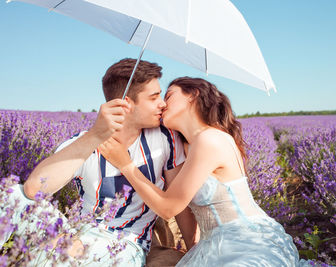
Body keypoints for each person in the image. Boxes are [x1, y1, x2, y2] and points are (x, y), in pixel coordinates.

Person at [1, 59, 197, 266]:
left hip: (124, 244)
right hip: (77, 231)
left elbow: (179, 203)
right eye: (154, 97)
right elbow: (34, 189)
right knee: (13, 195)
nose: (162, 103)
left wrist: (195, 251)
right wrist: (95, 135)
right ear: (126, 103)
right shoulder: (84, 140)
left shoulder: (165, 139)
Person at [99, 77, 315, 266]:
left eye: (170, 95)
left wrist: (125, 163)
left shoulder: (210, 139)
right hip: (214, 245)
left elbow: (168, 207)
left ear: (193, 95)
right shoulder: (185, 147)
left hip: (249, 240)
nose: (163, 103)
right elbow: (182, 205)